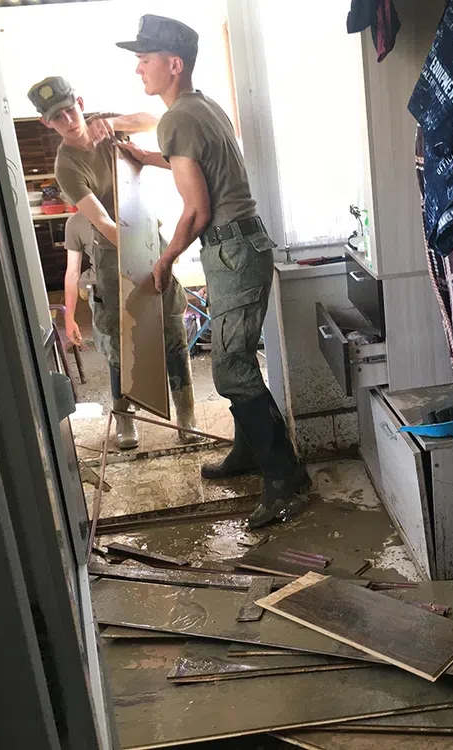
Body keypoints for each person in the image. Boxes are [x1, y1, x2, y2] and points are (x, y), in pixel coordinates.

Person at [114, 15, 310, 528]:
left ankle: (286, 481)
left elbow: (197, 211)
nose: (138, 68)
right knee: (234, 358)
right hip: (242, 247)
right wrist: (147, 157)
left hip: (232, 252)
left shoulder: (176, 118)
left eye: (145, 58)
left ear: (173, 64)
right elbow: (197, 161)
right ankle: (249, 453)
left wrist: (164, 259)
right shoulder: (200, 107)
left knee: (231, 367)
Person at [27, 76, 200, 449]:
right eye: (56, 117)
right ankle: (125, 418)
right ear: (46, 123)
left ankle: (186, 413)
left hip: (147, 232)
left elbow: (155, 119)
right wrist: (138, 254)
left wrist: (115, 123)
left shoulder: (103, 124)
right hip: (111, 249)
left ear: (80, 103)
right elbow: (103, 222)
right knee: (121, 336)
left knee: (171, 322)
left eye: (70, 110)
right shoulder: (66, 167)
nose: (68, 120)